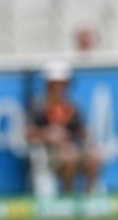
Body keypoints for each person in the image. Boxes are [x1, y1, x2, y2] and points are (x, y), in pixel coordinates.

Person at [26, 61, 103, 195]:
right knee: (70, 157)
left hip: (74, 149)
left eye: (63, 84)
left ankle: (91, 195)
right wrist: (47, 134)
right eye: (55, 84)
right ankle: (69, 194)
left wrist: (86, 138)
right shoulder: (37, 107)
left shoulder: (73, 107)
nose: (59, 89)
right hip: (49, 154)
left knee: (95, 157)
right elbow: (28, 135)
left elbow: (81, 133)